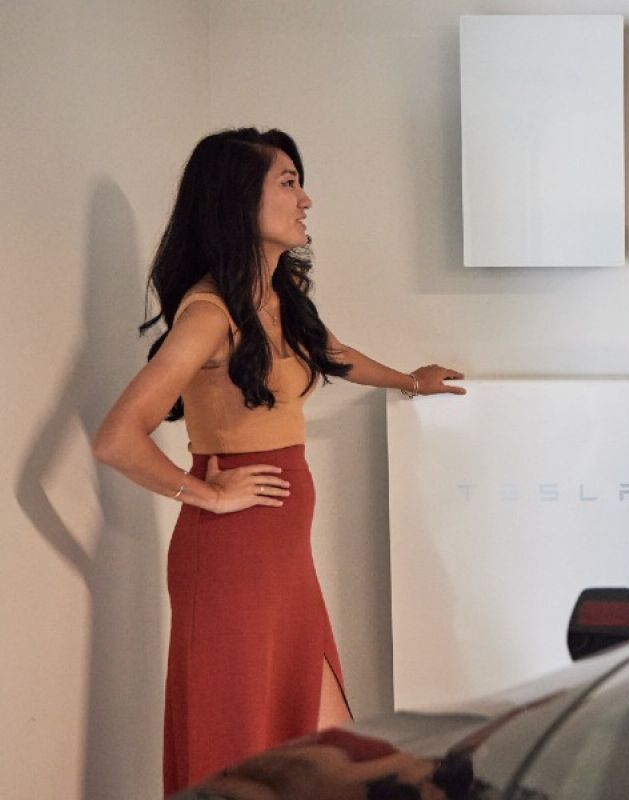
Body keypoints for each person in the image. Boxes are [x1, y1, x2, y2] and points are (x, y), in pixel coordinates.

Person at [92, 128, 466, 795]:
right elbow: (117, 437)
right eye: (288, 183)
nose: (306, 199)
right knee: (249, 753)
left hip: (283, 559)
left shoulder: (278, 296)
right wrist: (202, 493)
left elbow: (335, 351)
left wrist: (409, 381)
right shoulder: (207, 315)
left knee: (322, 748)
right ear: (240, 200)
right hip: (231, 561)